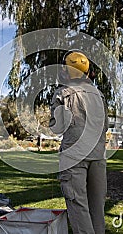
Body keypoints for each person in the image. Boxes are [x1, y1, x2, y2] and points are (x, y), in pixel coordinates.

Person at [49, 50, 108, 234]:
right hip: (98, 156)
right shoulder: (99, 95)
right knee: (97, 208)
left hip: (74, 158)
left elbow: (57, 128)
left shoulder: (62, 94)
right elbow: (105, 126)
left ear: (66, 71)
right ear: (88, 71)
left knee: (79, 207)